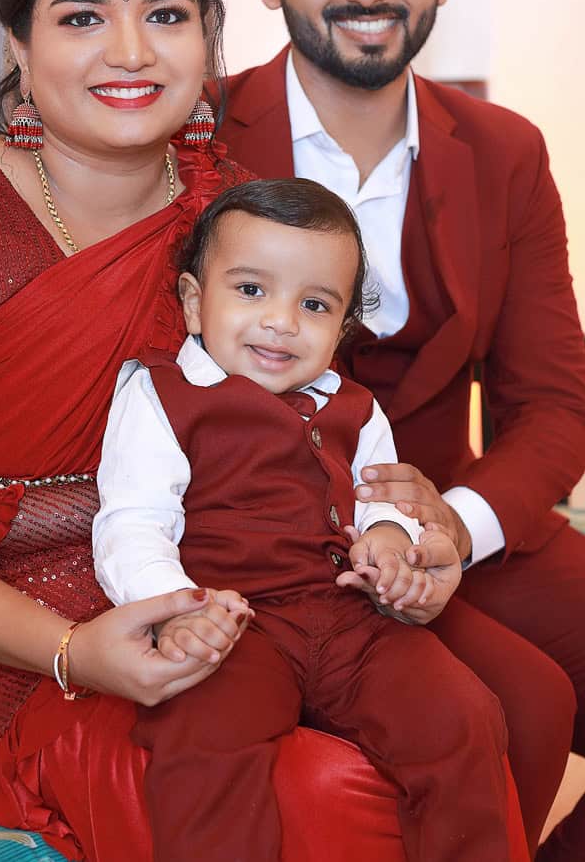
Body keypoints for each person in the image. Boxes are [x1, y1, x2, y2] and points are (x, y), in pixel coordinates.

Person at [0, 0, 457, 862]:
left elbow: (307, 425)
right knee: (330, 788)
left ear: (207, 33)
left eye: (164, 13)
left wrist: (393, 521)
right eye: (81, 17)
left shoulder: (241, 221)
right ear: (20, 46)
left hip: (237, 598)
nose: (128, 51)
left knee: (507, 701)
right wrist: (74, 650)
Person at [215, 0, 585, 861]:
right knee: (523, 707)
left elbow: (555, 406)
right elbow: (49, 176)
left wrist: (459, 525)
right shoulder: (198, 133)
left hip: (451, 512)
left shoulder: (504, 152)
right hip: (268, 537)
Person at [93, 177, 514, 862]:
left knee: (463, 715)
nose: (282, 321)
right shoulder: (163, 395)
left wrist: (390, 543)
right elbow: (132, 522)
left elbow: (381, 498)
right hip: (236, 623)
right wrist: (174, 610)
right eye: (251, 290)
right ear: (195, 303)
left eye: (314, 304)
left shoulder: (356, 407)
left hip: (352, 620)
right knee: (200, 736)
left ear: (342, 328)